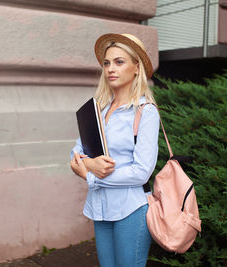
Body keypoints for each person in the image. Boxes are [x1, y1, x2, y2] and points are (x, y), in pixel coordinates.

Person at [70, 33, 159, 267]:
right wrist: (90, 165)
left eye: (119, 62)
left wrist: (92, 177)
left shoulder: (145, 112)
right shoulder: (97, 110)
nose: (111, 68)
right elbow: (76, 154)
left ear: (136, 68)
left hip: (131, 209)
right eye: (107, 63)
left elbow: (141, 173)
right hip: (100, 208)